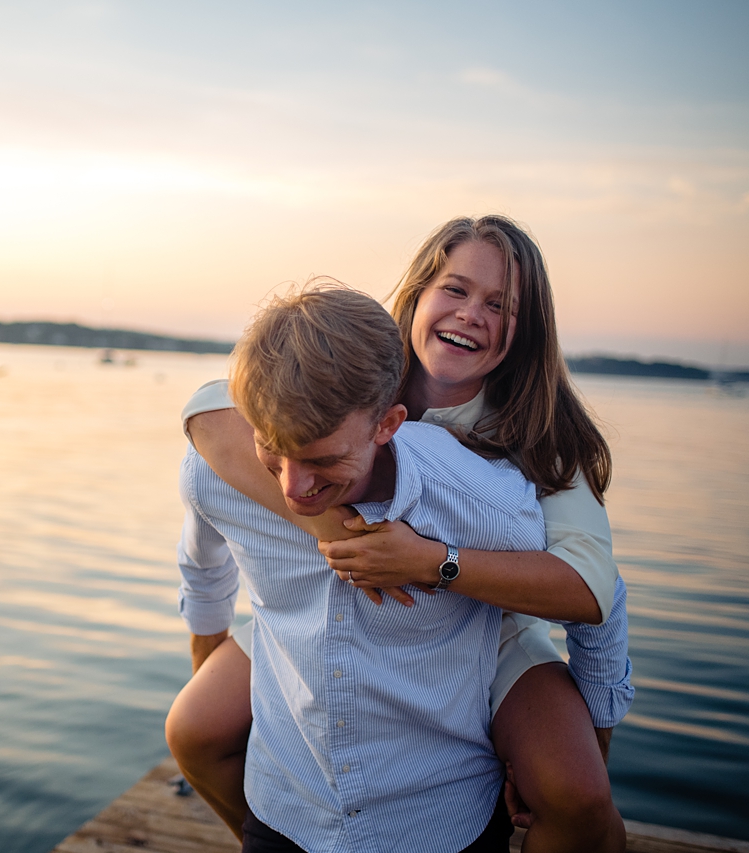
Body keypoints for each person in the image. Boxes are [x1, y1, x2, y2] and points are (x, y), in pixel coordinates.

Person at [167, 216, 632, 852]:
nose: (472, 314)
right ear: (416, 294)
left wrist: (426, 560)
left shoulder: (542, 438)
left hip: (489, 625)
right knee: (195, 728)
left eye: (501, 305)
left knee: (576, 792)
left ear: (528, 332)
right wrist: (347, 533)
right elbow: (214, 412)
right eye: (456, 289)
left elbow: (591, 587)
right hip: (341, 596)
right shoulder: (355, 372)